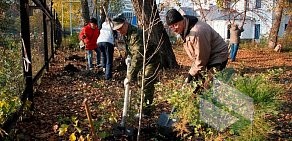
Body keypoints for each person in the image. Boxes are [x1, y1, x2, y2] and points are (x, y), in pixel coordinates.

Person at [112, 14, 160, 116]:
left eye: (120, 28)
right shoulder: (126, 34)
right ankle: (141, 105)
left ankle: (146, 111)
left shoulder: (135, 34)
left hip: (151, 59)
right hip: (142, 59)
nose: (119, 31)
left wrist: (129, 76)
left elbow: (138, 56)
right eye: (117, 30)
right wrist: (128, 57)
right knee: (140, 81)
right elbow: (131, 50)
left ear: (126, 24)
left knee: (146, 80)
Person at [165, 9, 228, 86]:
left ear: (182, 20)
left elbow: (201, 59)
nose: (174, 29)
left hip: (217, 56)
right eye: (171, 27)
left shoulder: (197, 32)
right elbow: (198, 58)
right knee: (197, 84)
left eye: (175, 25)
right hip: (206, 57)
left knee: (207, 86)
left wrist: (190, 75)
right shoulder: (185, 29)